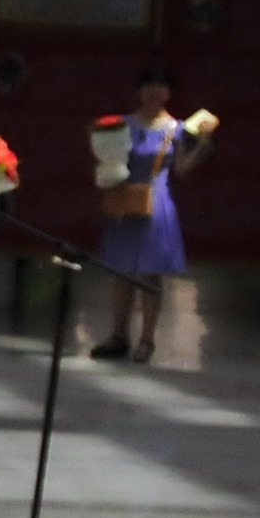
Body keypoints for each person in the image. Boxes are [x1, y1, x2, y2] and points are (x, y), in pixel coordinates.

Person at [89, 64, 210, 364]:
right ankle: (118, 336)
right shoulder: (121, 125)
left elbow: (180, 169)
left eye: (161, 87)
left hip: (157, 204)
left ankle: (147, 339)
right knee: (121, 273)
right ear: (139, 92)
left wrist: (200, 149)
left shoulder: (177, 129)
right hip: (125, 201)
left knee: (150, 274)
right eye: (149, 87)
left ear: (168, 93)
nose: (155, 93)